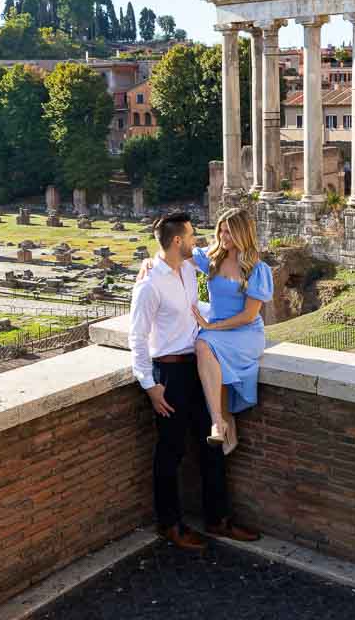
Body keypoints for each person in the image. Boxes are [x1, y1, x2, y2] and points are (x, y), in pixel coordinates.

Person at [129, 211, 260, 551]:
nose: (197, 240)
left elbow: (214, 294)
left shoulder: (189, 268)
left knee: (212, 448)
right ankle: (169, 524)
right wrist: (149, 384)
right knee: (170, 452)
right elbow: (137, 338)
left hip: (198, 365)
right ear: (177, 241)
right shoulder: (149, 286)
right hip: (169, 374)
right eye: (190, 236)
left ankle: (219, 520)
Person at [136, 207, 273, 455]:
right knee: (204, 346)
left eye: (229, 232)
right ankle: (219, 422)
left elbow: (249, 315)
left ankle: (222, 420)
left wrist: (211, 326)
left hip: (245, 332)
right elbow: (173, 249)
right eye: (221, 230)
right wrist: (150, 261)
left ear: (243, 234)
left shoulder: (255, 268)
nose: (223, 237)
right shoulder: (212, 258)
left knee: (204, 344)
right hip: (216, 331)